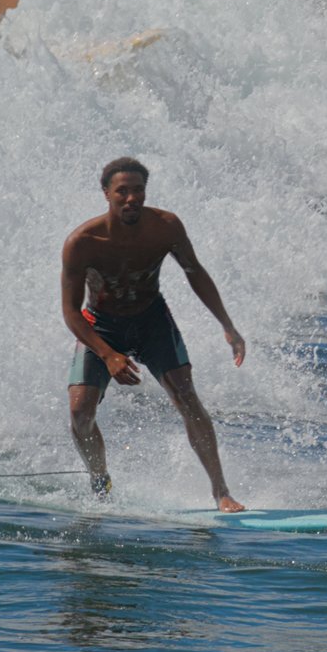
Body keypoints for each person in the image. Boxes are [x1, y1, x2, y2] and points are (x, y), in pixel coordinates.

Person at [60, 157, 246, 511]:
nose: (131, 198)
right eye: (122, 191)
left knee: (187, 397)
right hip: (100, 325)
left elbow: (195, 272)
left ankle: (221, 491)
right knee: (81, 413)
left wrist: (227, 325)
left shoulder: (166, 227)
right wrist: (107, 354)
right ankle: (100, 482)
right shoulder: (83, 242)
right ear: (106, 194)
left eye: (138, 190)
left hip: (151, 321)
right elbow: (71, 313)